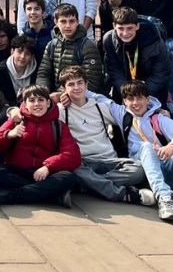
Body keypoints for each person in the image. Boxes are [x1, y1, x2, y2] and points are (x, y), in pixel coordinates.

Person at [88, 79, 173, 223]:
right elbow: (99, 98)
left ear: (147, 99)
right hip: (142, 171)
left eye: (139, 98)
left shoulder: (158, 118)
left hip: (166, 169)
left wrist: (172, 146)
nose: (135, 103)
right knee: (146, 146)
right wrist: (67, 94)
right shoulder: (121, 114)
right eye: (130, 99)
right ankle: (164, 198)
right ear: (124, 101)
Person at [56, 66, 150, 205]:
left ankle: (86, 185)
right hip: (82, 162)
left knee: (139, 170)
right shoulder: (61, 111)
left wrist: (156, 110)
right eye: (71, 84)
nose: (76, 87)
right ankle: (121, 194)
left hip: (108, 160)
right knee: (73, 169)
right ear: (64, 89)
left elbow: (130, 113)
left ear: (86, 85)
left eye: (80, 83)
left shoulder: (101, 107)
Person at [0, 84, 80, 208]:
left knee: (68, 177)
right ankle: (52, 197)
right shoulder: (17, 120)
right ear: (25, 104)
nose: (36, 104)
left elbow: (73, 155)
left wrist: (48, 167)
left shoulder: (59, 125)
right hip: (17, 171)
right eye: (31, 100)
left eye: (41, 100)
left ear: (48, 103)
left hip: (45, 174)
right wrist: (9, 134)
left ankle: (6, 196)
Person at [101, 7, 171, 104]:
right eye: (121, 28)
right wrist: (126, 92)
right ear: (114, 26)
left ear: (137, 26)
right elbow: (114, 70)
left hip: (151, 93)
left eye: (129, 28)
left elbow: (161, 74)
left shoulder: (155, 41)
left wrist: (140, 94)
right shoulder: (108, 40)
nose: (125, 33)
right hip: (124, 93)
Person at [37, 3, 103, 93]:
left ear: (77, 22)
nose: (68, 25)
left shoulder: (87, 46)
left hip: (81, 96)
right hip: (54, 96)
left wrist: (62, 95)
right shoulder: (51, 45)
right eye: (63, 21)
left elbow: (91, 81)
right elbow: (43, 74)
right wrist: (44, 94)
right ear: (56, 22)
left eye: (72, 21)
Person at [0, 34, 39, 106]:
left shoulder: (37, 70)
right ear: (12, 51)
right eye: (19, 51)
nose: (22, 57)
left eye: (27, 53)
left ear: (32, 57)